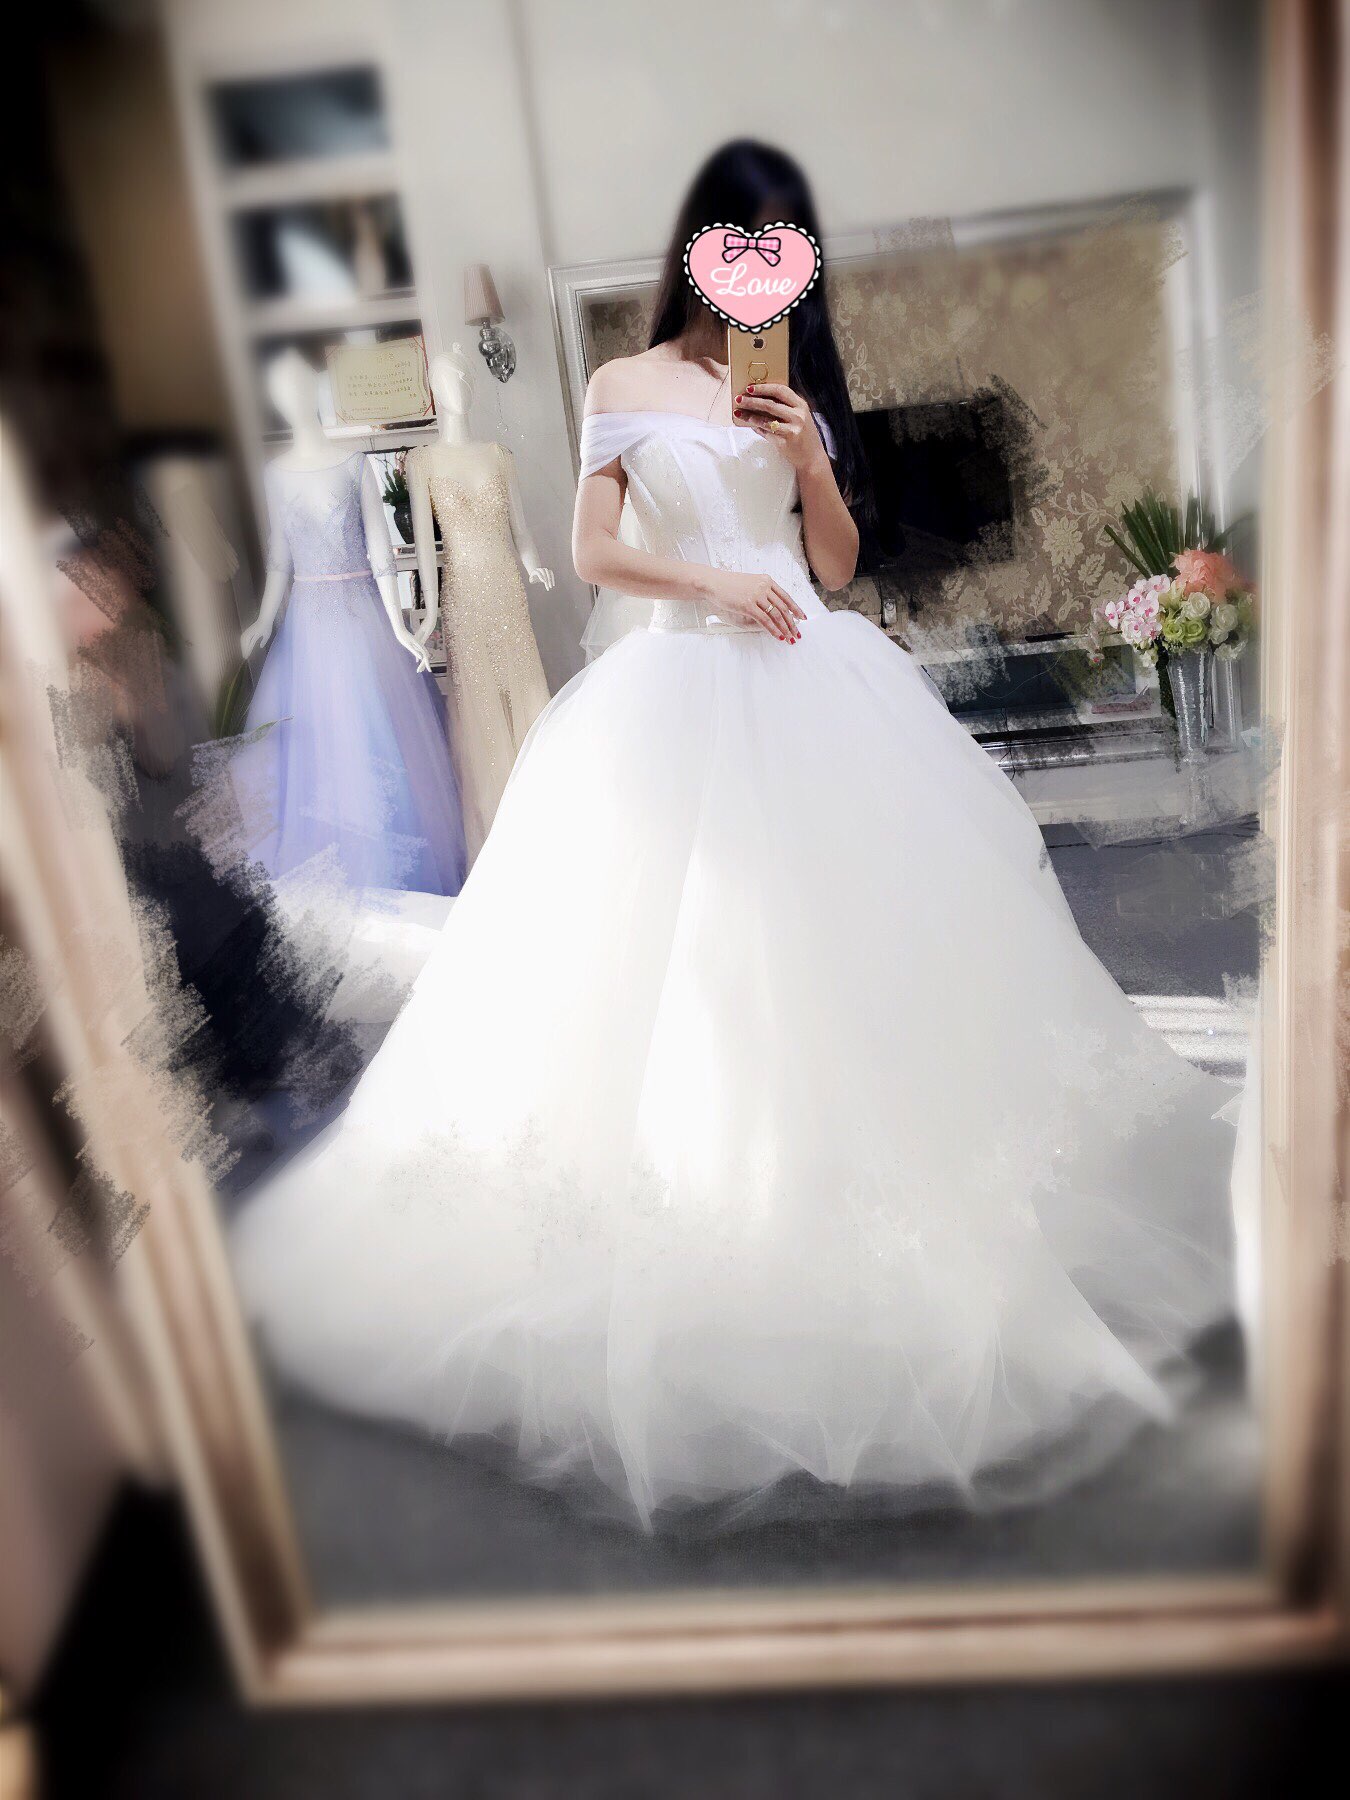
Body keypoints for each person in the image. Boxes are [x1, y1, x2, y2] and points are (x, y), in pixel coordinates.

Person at [232, 141, 1233, 1531]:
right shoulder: (621, 385)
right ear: (700, 247)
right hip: (681, 682)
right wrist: (709, 579)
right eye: (744, 238)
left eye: (784, 245)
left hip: (820, 680)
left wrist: (809, 456)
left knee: (863, 958)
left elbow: (835, 566)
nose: (763, 269)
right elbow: (594, 552)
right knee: (698, 964)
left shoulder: (795, 392)